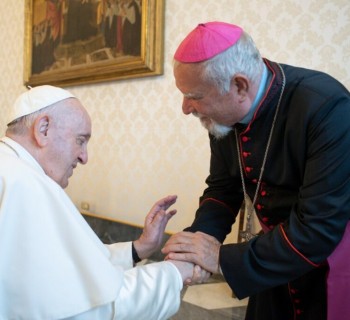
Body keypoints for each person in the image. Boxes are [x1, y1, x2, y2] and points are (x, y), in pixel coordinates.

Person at [162, 21, 350, 320]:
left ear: (239, 86)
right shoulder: (223, 115)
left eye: (194, 95)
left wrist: (220, 258)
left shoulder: (325, 105)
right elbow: (224, 190)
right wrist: (193, 246)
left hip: (328, 263)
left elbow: (319, 227)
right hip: (268, 261)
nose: (186, 108)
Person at [0, 85, 200, 320]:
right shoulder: (25, 185)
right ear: (43, 129)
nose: (84, 157)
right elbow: (96, 308)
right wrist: (176, 272)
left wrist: (138, 248)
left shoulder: (12, 172)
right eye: (80, 140)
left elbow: (75, 269)